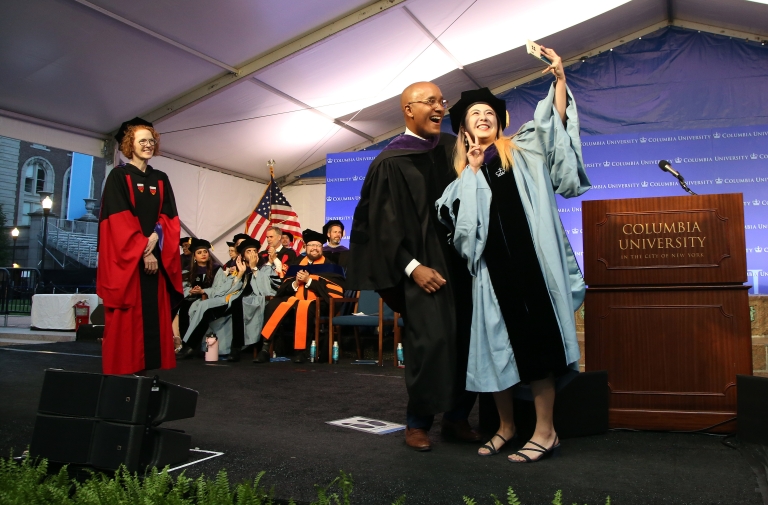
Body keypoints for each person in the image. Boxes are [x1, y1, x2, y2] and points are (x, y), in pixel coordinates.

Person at [436, 46, 590, 463]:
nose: (483, 117)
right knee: (495, 350)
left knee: (538, 345)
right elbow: (464, 237)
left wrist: (559, 79)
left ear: (499, 121)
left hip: (533, 268)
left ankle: (546, 431)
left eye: (488, 113)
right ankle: (505, 427)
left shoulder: (524, 150)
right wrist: (470, 171)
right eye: (474, 115)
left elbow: (553, 125)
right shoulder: (460, 180)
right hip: (494, 275)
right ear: (465, 130)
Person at [346, 82, 478, 451]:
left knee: (469, 341)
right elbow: (381, 226)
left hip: (463, 265)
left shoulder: (455, 147)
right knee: (430, 343)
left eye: (442, 101)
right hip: (423, 270)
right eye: (431, 102)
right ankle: (417, 422)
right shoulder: (391, 161)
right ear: (408, 109)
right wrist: (412, 267)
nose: (440, 107)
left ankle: (456, 419)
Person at [97, 117, 182, 375]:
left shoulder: (161, 178)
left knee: (154, 314)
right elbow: (118, 221)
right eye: (141, 140)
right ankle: (124, 372)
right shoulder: (118, 177)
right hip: (130, 264)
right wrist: (144, 251)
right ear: (128, 144)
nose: (148, 144)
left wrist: (156, 238)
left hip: (155, 253)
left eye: (151, 140)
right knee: (129, 315)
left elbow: (170, 218)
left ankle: (149, 369)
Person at [257, 229, 345, 364]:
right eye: (311, 245)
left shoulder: (330, 266)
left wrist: (309, 281)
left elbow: (334, 292)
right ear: (305, 247)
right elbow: (283, 289)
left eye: (318, 245)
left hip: (319, 303)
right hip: (295, 300)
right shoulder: (296, 264)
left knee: (304, 306)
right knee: (274, 304)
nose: (315, 248)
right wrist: (296, 283)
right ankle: (265, 348)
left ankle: (301, 351)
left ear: (322, 248)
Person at [173, 238, 215, 342]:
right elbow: (184, 286)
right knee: (182, 308)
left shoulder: (216, 269)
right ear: (194, 256)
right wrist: (190, 291)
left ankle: (194, 343)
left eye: (205, 252)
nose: (203, 254)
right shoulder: (188, 270)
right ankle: (184, 341)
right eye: (199, 252)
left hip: (209, 298)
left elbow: (220, 287)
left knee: (194, 307)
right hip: (192, 297)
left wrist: (203, 291)